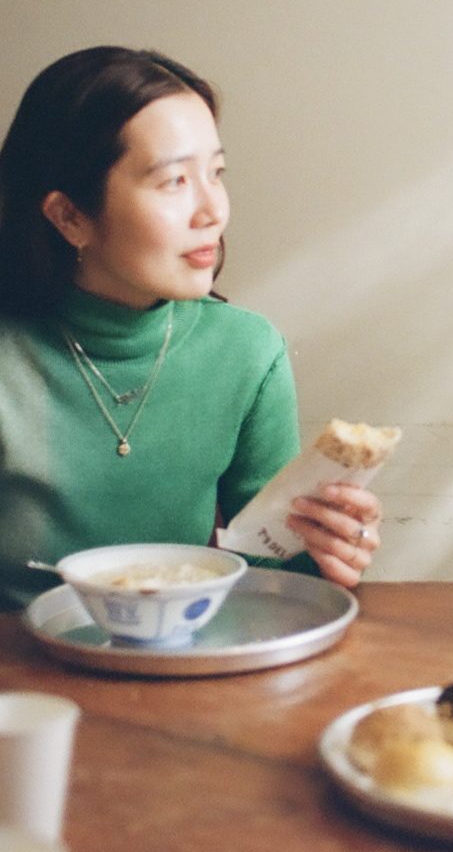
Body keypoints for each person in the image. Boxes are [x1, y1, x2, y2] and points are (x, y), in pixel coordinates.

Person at [0, 46, 381, 610]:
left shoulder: (247, 352)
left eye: (216, 173)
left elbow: (266, 571)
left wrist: (328, 553)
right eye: (175, 181)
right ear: (70, 216)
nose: (213, 212)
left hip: (185, 650)